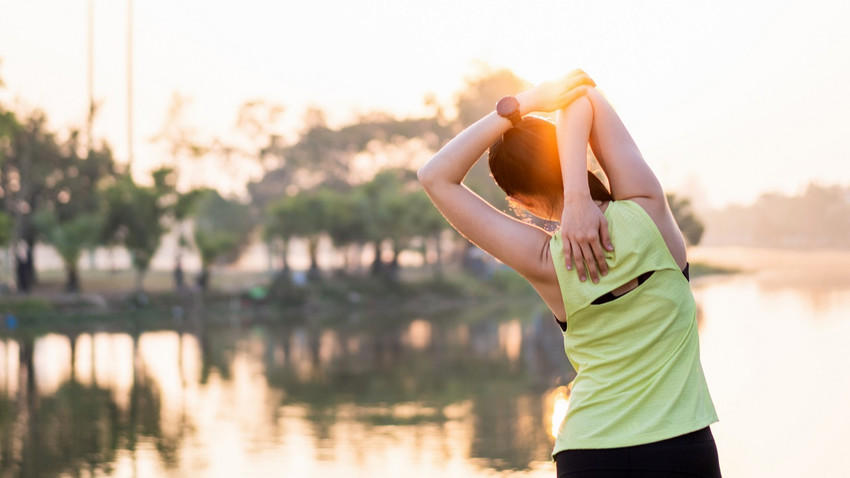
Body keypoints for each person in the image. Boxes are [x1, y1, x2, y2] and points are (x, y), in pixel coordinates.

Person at [417, 70, 721, 478]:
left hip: (589, 454)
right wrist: (577, 190)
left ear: (518, 201)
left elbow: (434, 176)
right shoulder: (648, 212)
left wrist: (523, 103)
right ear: (572, 158)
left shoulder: (546, 261)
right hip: (680, 447)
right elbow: (584, 94)